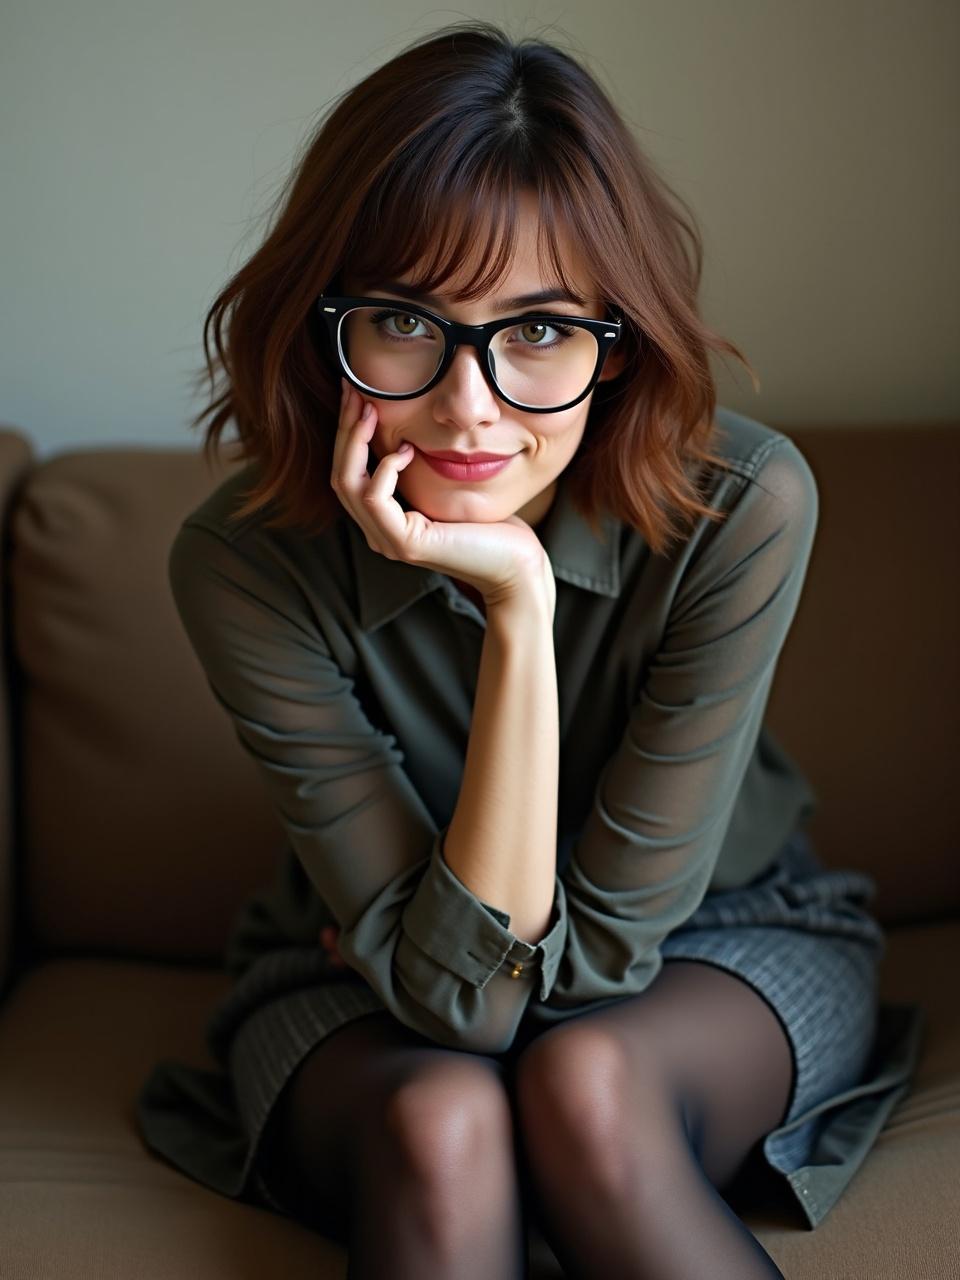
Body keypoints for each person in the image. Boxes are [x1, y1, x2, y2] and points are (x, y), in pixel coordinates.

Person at [135, 20, 920, 1279]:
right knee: (446, 1119)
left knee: (586, 1082)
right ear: (320, 325)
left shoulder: (745, 504)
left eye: (541, 328)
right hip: (358, 976)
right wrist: (518, 611)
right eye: (404, 318)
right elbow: (466, 1007)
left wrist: (516, 599)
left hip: (727, 934)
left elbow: (590, 972)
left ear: (619, 343)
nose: (471, 402)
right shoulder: (241, 561)